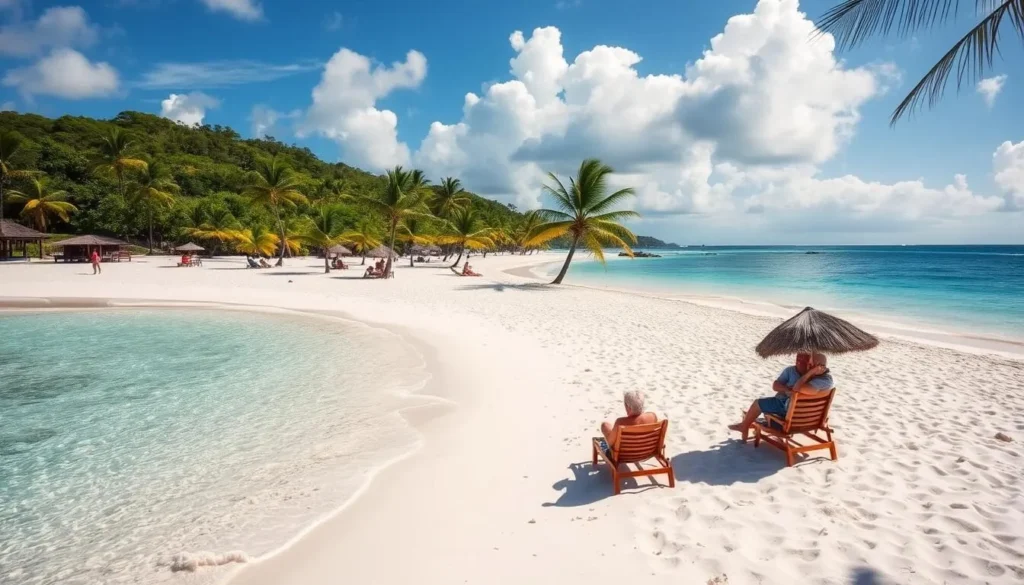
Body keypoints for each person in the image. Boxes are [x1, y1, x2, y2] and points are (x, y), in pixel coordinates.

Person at [729, 352, 834, 441]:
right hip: (811, 418)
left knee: (758, 404)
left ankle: (744, 426)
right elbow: (775, 385)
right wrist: (787, 389)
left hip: (791, 415)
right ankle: (753, 423)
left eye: (809, 364)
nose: (799, 361)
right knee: (769, 409)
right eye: (798, 358)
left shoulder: (820, 381)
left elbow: (797, 389)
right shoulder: (824, 380)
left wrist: (809, 373)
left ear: (818, 366)